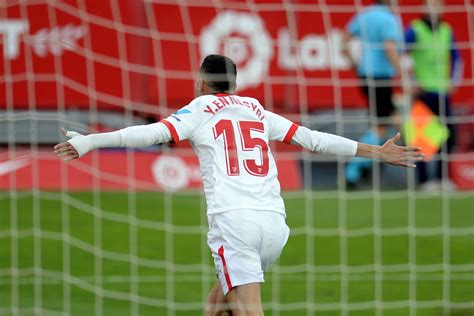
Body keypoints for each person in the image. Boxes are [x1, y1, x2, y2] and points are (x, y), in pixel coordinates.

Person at [53, 54, 423, 315]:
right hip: (275, 227)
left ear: (200, 82)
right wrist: (376, 151)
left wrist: (89, 141)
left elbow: (148, 134)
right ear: (234, 84)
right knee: (216, 306)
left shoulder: (197, 110)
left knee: (248, 310)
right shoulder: (257, 109)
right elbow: (313, 139)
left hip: (235, 225)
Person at [342, 0, 404, 187]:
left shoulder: (365, 14)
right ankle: (353, 171)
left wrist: (355, 63)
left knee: (389, 121)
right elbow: (390, 48)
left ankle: (366, 167)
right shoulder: (388, 18)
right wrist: (402, 74)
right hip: (381, 78)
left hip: (365, 74)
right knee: (381, 126)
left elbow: (344, 41)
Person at [404, 0, 463, 190]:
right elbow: (400, 54)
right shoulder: (415, 29)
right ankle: (424, 181)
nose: (434, 9)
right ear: (423, 7)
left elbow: (456, 57)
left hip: (442, 92)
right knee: (421, 137)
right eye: (430, 5)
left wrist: (453, 82)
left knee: (448, 136)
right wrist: (411, 82)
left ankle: (442, 178)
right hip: (423, 92)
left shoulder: (447, 30)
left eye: (437, 5)